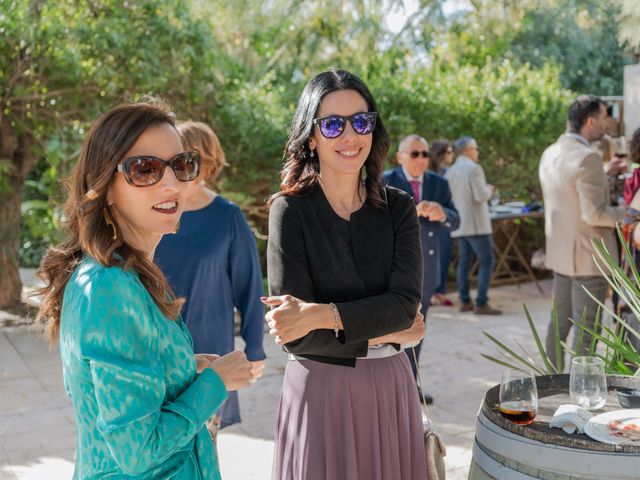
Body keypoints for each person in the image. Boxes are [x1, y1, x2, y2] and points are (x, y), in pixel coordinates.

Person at [35, 100, 253, 479]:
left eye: (182, 165)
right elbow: (140, 450)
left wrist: (184, 368)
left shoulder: (127, 272)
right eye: (145, 169)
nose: (172, 183)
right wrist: (216, 383)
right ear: (106, 187)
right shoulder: (109, 287)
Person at [263, 69, 428, 480]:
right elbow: (294, 334)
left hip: (390, 388)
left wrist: (320, 314)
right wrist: (388, 330)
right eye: (333, 124)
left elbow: (405, 307)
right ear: (311, 137)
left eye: (361, 121)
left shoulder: (399, 208)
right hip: (320, 394)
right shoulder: (289, 211)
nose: (350, 136)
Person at [154, 121, 266, 440]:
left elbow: (250, 286)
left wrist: (255, 346)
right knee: (160, 440)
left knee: (203, 442)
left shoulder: (227, 216)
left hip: (210, 347)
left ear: (208, 161)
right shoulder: (155, 212)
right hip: (157, 344)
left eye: (189, 159)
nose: (181, 168)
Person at [539, 94, 624, 370]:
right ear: (590, 121)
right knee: (586, 332)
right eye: (603, 117)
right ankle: (578, 394)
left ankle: (549, 383)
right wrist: (628, 214)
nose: (606, 124)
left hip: (561, 255)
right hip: (590, 257)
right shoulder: (588, 158)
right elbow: (595, 214)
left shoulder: (550, 152)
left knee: (558, 327)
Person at [383, 134, 460, 404]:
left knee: (417, 330)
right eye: (415, 154)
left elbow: (456, 220)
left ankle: (409, 386)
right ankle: (389, 388)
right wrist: (410, 213)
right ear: (400, 156)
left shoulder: (439, 183)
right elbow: (371, 225)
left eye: (425, 154)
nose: (421, 159)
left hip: (426, 269)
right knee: (390, 330)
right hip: (391, 270)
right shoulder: (386, 180)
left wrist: (443, 214)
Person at [445, 136, 502, 315]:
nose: (477, 152)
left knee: (464, 262)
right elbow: (480, 196)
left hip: (459, 224)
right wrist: (490, 190)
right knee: (487, 261)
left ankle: (465, 301)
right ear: (468, 150)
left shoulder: (450, 171)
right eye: (476, 148)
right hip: (477, 224)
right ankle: (482, 302)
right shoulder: (474, 169)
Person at [428, 139, 456, 306]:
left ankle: (440, 291)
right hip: (428, 222)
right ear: (442, 153)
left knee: (444, 256)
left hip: (444, 219)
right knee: (429, 258)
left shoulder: (449, 172)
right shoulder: (428, 173)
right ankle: (429, 292)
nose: (452, 155)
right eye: (450, 152)